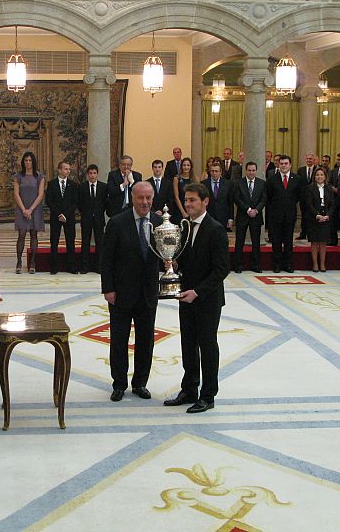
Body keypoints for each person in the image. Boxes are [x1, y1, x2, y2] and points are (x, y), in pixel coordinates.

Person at [164, 183, 229, 414]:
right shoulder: (185, 228)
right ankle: (189, 388)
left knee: (207, 345)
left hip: (207, 300)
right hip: (186, 296)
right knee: (188, 344)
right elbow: (188, 260)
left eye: (192, 200)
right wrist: (174, 263)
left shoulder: (216, 229)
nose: (188, 204)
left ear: (205, 202)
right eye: (186, 199)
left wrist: (198, 292)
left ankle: (208, 395)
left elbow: (221, 270)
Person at [100, 181, 162, 402]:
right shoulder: (117, 223)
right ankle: (119, 384)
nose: (145, 202)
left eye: (149, 198)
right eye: (141, 198)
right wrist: (108, 288)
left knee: (146, 341)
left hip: (148, 293)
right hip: (121, 293)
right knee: (119, 339)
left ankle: (140, 383)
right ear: (133, 198)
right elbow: (106, 259)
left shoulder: (159, 223)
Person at [265, 155, 303, 273]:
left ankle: (288, 264)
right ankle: (276, 265)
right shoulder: (272, 179)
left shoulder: (297, 179)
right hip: (275, 215)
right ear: (278, 165)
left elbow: (298, 196)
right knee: (276, 242)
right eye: (281, 163)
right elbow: (269, 198)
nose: (283, 165)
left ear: (290, 165)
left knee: (288, 241)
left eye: (286, 163)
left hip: (290, 215)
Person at [13, 152, 45, 274]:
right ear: (23, 162)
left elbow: (41, 194)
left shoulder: (39, 177)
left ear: (33, 162)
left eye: (30, 160)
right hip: (21, 208)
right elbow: (16, 194)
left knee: (33, 235)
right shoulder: (18, 176)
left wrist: (30, 209)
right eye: (26, 160)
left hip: (35, 209)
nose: (28, 163)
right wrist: (24, 210)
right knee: (21, 235)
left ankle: (32, 262)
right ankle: (19, 261)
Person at [45, 161, 78, 275]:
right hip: (56, 217)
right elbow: (49, 201)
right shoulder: (51, 184)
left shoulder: (73, 185)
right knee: (54, 242)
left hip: (69, 218)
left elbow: (75, 202)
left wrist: (65, 215)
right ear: (59, 170)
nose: (68, 171)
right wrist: (59, 214)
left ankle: (71, 266)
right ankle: (54, 267)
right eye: (65, 169)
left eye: (69, 169)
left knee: (70, 242)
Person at [233, 161, 266, 273]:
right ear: (246, 171)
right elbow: (237, 198)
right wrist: (248, 210)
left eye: (253, 170)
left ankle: (255, 265)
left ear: (256, 171)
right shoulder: (239, 183)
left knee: (256, 242)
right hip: (243, 215)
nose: (251, 172)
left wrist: (256, 210)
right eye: (249, 170)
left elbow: (264, 199)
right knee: (239, 242)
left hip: (256, 216)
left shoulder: (262, 183)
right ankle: (238, 265)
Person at [304, 167, 335, 272]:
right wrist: (316, 215)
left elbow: (332, 204)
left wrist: (328, 215)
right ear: (314, 177)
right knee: (314, 242)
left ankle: (322, 264)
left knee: (323, 242)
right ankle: (315, 264)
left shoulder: (329, 188)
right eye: (317, 175)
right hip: (313, 218)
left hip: (326, 217)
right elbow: (308, 204)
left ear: (325, 176)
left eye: (321, 175)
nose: (319, 177)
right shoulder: (310, 188)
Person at [78, 163, 106, 274]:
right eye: (90, 173)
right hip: (86, 219)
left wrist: (98, 213)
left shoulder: (103, 187)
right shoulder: (82, 187)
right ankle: (85, 267)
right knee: (85, 243)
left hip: (99, 219)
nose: (92, 175)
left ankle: (99, 267)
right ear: (87, 174)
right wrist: (86, 213)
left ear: (97, 174)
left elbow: (104, 203)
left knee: (100, 243)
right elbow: (79, 203)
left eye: (94, 173)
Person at [202, 162, 233, 230]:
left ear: (220, 172)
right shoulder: (204, 184)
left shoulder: (227, 184)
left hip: (223, 218)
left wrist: (230, 218)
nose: (214, 173)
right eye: (212, 171)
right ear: (210, 172)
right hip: (208, 217)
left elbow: (230, 202)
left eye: (216, 171)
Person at [296, 153, 316, 240]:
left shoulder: (317, 169)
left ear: (314, 160)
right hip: (303, 198)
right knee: (304, 216)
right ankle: (303, 233)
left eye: (310, 159)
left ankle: (312, 234)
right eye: (307, 159)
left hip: (314, 198)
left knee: (313, 216)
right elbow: (298, 184)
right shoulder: (301, 170)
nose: (309, 160)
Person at [171, 157, 195, 224]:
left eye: (188, 165)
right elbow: (176, 197)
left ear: (191, 167)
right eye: (184, 165)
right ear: (181, 167)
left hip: (192, 210)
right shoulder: (176, 178)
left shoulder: (195, 179)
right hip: (180, 210)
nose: (186, 167)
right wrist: (183, 212)